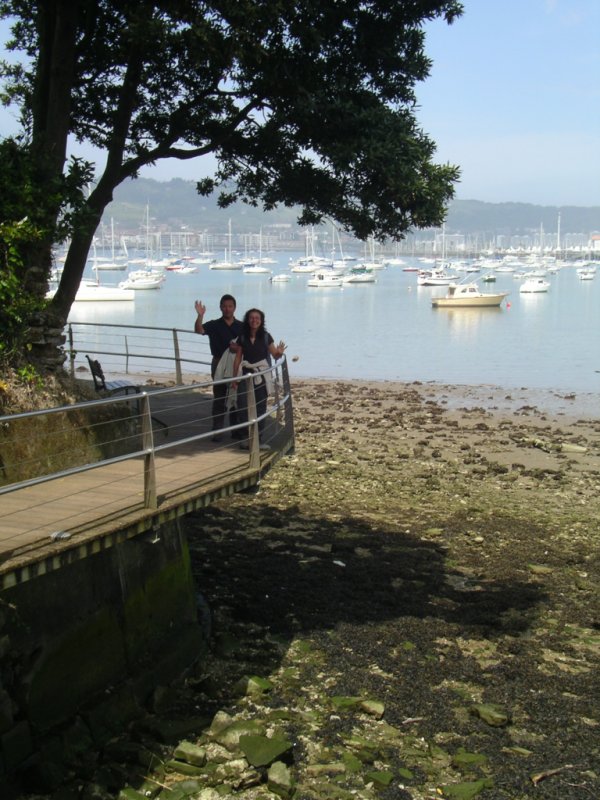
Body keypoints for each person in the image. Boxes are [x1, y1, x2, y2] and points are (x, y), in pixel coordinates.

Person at [231, 308, 286, 450]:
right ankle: (246, 438)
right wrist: (234, 378)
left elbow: (275, 355)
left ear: (261, 321)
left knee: (260, 407)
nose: (254, 320)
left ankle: (258, 439)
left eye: (257, 318)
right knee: (243, 407)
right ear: (247, 320)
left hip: (261, 376)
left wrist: (280, 352)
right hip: (246, 375)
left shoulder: (266, 337)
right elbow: (237, 359)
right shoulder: (242, 337)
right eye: (251, 318)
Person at [194, 294, 243, 440]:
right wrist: (200, 315)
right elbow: (199, 330)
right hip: (218, 362)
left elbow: (248, 345)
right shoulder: (214, 324)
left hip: (235, 363)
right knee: (219, 397)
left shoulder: (241, 326)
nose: (227, 309)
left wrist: (238, 348)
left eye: (230, 306)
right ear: (220, 307)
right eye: (225, 306)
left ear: (234, 308)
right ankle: (217, 431)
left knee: (235, 397)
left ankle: (236, 430)